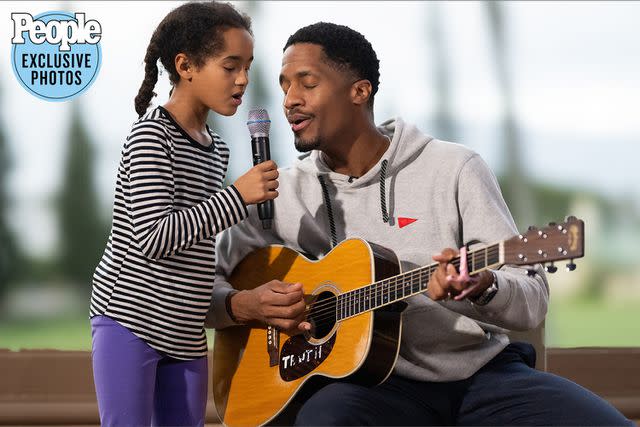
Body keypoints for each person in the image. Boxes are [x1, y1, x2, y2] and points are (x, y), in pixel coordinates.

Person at [206, 22, 633, 426]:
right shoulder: (281, 193)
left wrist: (484, 287)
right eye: (284, 85)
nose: (289, 100)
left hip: (480, 375)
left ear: (359, 91)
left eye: (307, 83)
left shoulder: (455, 168)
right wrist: (241, 306)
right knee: (326, 418)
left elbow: (532, 298)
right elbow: (198, 289)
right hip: (370, 387)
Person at [89, 2, 280, 426]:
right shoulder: (151, 137)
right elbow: (153, 238)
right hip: (130, 320)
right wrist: (237, 197)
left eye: (247, 66)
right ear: (186, 65)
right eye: (230, 66)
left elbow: (198, 240)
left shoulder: (218, 148)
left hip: (186, 332)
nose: (243, 79)